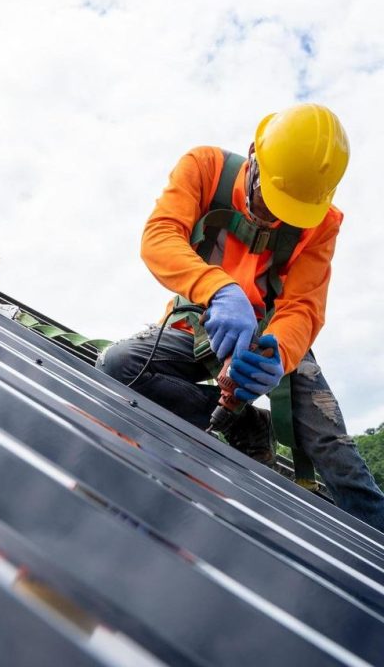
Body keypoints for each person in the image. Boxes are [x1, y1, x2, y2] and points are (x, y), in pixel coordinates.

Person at [97, 103, 384, 532]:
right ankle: (246, 423)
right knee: (118, 365)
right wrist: (219, 290)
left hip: (270, 336)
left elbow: (304, 306)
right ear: (254, 157)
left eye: (289, 212)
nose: (275, 218)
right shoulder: (205, 168)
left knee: (330, 445)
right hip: (201, 320)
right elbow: (159, 236)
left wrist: (279, 355)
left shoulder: (321, 223)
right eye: (271, 201)